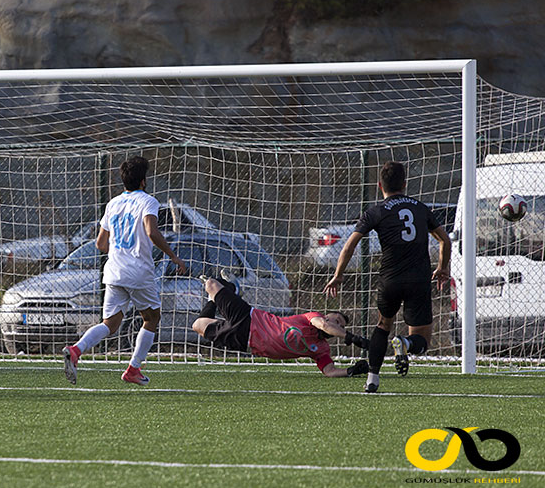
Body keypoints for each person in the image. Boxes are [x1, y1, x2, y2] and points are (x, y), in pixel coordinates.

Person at [323, 161, 451, 393]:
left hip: (389, 280)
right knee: (422, 342)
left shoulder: (376, 211)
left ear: (379, 185)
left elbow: (349, 246)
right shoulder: (421, 208)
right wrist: (442, 268)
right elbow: (445, 240)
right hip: (419, 280)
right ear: (404, 184)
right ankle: (405, 343)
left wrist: (338, 275)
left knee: (383, 326)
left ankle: (372, 379)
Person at [62, 156, 187, 386]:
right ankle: (133, 368)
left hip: (113, 272)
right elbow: (151, 231)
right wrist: (173, 256)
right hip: (138, 272)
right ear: (143, 181)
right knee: (152, 317)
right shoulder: (148, 201)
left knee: (110, 324)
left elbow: (100, 243)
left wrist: (120, 251)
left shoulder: (113, 203)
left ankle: (76, 349)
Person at [191, 275, 370, 378]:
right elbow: (322, 324)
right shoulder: (312, 317)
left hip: (245, 343)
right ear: (327, 315)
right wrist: (351, 338)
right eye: (336, 319)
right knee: (211, 284)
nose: (337, 324)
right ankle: (232, 289)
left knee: (198, 325)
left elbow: (329, 371)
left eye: (340, 324)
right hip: (249, 319)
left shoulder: (321, 349)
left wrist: (351, 371)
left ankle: (216, 298)